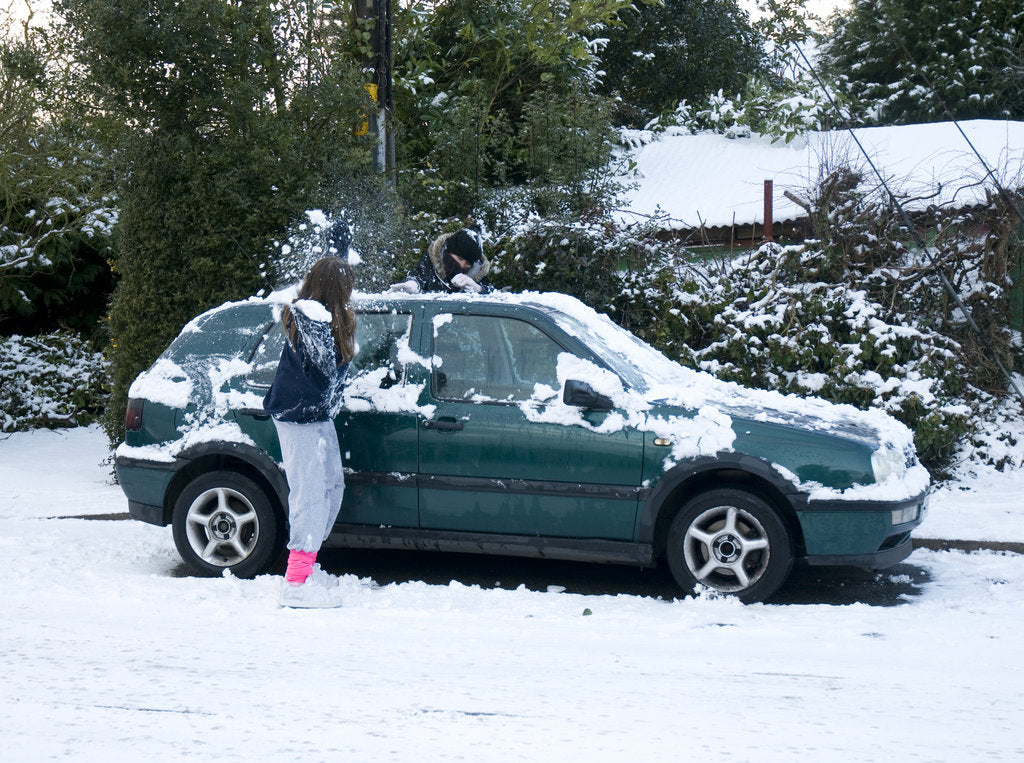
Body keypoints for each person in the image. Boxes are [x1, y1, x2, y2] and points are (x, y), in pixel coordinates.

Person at [263, 256, 356, 608]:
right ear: (337, 290)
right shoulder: (309, 318)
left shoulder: (326, 317)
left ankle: (307, 564)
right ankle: (296, 583)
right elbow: (325, 369)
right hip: (297, 418)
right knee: (310, 496)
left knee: (332, 487)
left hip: (316, 415)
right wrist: (315, 320)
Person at [389, 228, 493, 294]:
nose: (461, 265)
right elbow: (418, 276)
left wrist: (477, 288)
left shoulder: (476, 275)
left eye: (467, 264)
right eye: (459, 259)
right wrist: (413, 285)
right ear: (447, 253)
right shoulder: (430, 263)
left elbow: (493, 295)